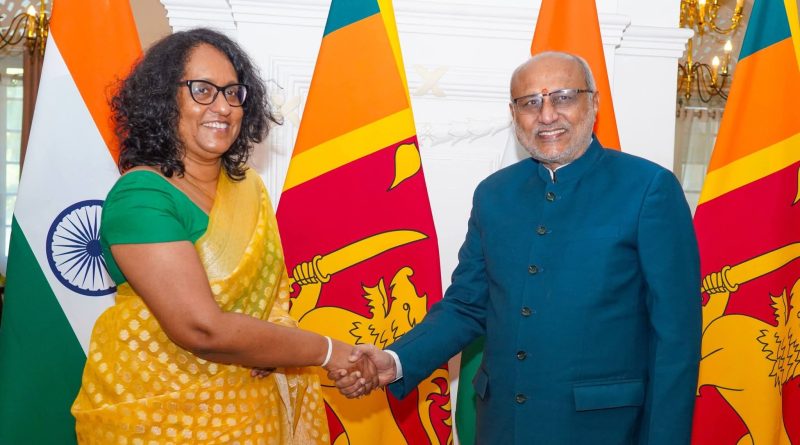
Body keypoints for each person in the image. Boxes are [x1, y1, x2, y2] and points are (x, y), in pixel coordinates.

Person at [334, 51, 701, 444]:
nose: (547, 115)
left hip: (602, 430)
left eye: (563, 97)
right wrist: (396, 360)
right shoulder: (494, 194)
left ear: (594, 103)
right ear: (514, 114)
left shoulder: (648, 189)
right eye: (530, 103)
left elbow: (675, 337)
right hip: (501, 426)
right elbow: (466, 305)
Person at [71, 28, 375, 444]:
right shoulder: (140, 196)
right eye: (202, 90)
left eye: (234, 93)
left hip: (252, 413)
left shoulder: (248, 188)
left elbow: (272, 301)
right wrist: (328, 352)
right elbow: (201, 329)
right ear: (164, 98)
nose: (223, 106)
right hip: (157, 418)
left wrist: (271, 347)